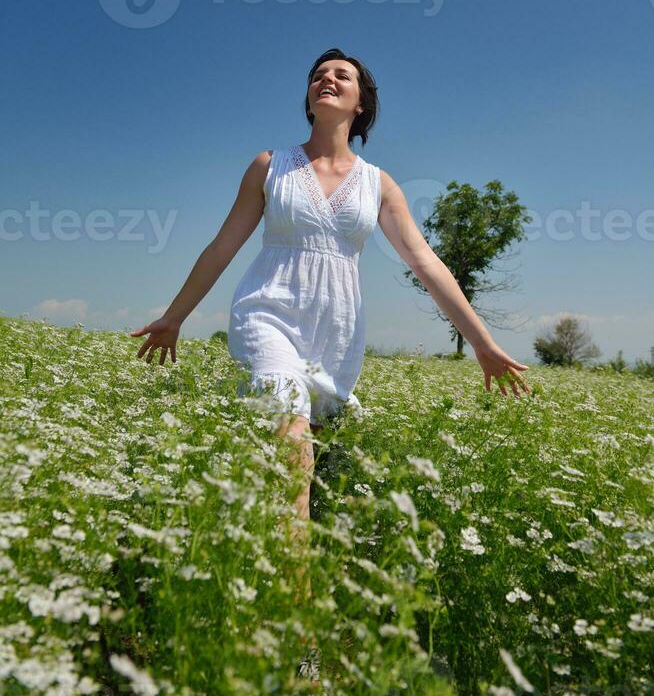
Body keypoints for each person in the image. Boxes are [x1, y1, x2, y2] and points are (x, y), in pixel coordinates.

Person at [130, 46, 530, 610]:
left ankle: (266, 560)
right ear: (310, 99)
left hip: (336, 335)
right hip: (268, 313)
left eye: (342, 75)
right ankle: (300, 623)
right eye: (319, 75)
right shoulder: (270, 166)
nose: (328, 79)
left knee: (318, 461)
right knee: (293, 446)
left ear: (360, 103)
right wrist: (175, 316)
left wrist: (483, 343)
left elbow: (425, 261)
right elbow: (223, 245)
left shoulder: (379, 184)